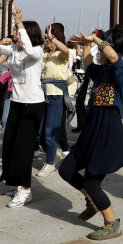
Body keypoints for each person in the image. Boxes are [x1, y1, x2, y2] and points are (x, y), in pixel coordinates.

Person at [59, 27, 123, 240]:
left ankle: (111, 223)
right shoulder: (102, 71)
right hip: (92, 129)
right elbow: (88, 62)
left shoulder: (121, 69)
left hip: (108, 132)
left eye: (103, 44)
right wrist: (86, 45)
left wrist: (95, 39)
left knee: (92, 182)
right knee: (66, 169)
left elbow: (111, 55)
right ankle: (91, 200)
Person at [0, 5, 45, 208]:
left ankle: (25, 190)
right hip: (16, 103)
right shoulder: (14, 50)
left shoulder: (37, 51)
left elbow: (27, 46)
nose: (15, 34)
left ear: (28, 32)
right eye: (16, 31)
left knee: (23, 149)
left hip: (33, 105)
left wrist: (19, 22)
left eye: (18, 31)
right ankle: (15, 182)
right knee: (9, 145)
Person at [37, 23, 70, 177]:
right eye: (45, 36)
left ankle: (50, 163)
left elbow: (65, 50)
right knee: (38, 133)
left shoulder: (61, 55)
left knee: (50, 132)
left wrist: (52, 39)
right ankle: (53, 154)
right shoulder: (43, 53)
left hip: (55, 96)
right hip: (40, 95)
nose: (46, 39)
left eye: (49, 36)